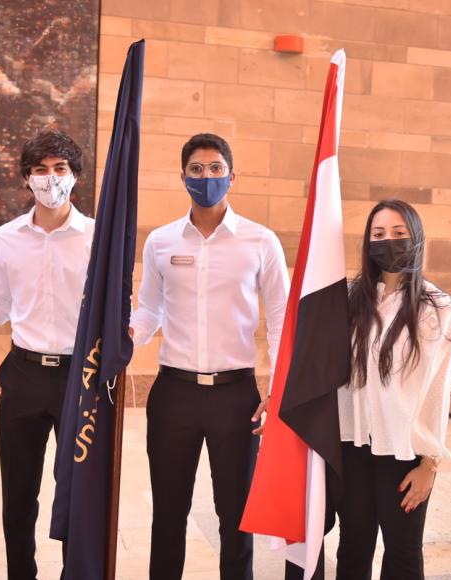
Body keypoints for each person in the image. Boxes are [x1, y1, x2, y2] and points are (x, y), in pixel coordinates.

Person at [129, 133, 289, 580]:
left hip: (236, 397)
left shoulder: (261, 241)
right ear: (183, 177)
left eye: (216, 169)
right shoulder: (161, 241)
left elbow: (279, 319)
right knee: (168, 514)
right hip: (173, 395)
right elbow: (149, 309)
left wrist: (274, 391)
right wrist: (128, 334)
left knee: (236, 518)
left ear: (232, 176)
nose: (207, 177)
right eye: (197, 170)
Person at [0, 130, 94, 580]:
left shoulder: (96, 237)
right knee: (19, 496)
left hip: (77, 381)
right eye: (41, 171)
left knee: (77, 495)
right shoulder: (7, 238)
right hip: (23, 376)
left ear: (74, 177)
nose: (50, 179)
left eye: (59, 169)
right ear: (27, 179)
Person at [336, 199, 451, 580]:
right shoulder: (348, 297)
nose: (387, 241)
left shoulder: (438, 308)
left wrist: (430, 464)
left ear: (416, 239)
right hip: (352, 446)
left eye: (398, 233)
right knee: (353, 546)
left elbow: (437, 392)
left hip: (405, 454)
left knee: (403, 554)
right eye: (378, 234)